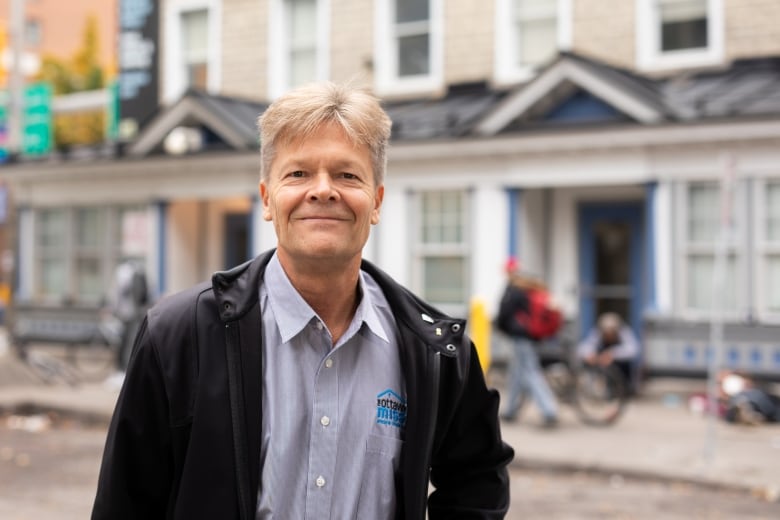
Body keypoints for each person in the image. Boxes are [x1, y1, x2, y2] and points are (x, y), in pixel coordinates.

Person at [92, 81, 513, 519]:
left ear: (377, 202)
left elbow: (477, 481)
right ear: (267, 199)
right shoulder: (179, 336)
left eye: (347, 175)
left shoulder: (435, 352)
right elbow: (125, 503)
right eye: (298, 173)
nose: (323, 190)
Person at [497, 257, 560, 427]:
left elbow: (504, 314)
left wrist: (501, 327)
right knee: (516, 373)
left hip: (521, 336)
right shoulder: (528, 288)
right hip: (530, 336)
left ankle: (549, 411)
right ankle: (511, 410)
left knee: (530, 372)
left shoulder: (514, 290)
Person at [576, 312, 640, 394]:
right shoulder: (597, 333)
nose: (608, 336)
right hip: (601, 366)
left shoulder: (624, 332)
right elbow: (583, 347)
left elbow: (633, 350)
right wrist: (589, 355)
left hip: (620, 366)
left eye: (611, 334)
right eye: (606, 334)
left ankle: (626, 389)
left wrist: (612, 354)